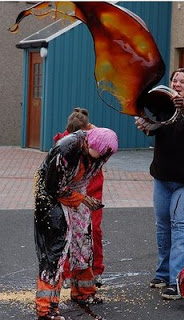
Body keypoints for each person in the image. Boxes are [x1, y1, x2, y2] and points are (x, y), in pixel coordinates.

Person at [135, 68, 184, 300]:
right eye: (174, 80)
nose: (178, 83)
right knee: (164, 225)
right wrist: (145, 126)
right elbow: (155, 125)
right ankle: (163, 273)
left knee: (183, 227)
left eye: (183, 81)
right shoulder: (163, 103)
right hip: (164, 177)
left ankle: (179, 281)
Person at [34, 128, 118, 320]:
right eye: (102, 153)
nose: (103, 158)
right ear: (90, 145)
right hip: (50, 197)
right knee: (56, 250)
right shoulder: (65, 149)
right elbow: (53, 187)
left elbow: (84, 177)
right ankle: (46, 309)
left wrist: (83, 200)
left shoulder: (99, 152)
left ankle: (83, 292)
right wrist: (83, 199)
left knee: (83, 243)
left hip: (75, 193)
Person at [54, 108, 105, 287]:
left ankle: (96, 270)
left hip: (92, 189)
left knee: (94, 231)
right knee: (68, 231)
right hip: (71, 192)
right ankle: (68, 272)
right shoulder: (64, 143)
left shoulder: (96, 138)